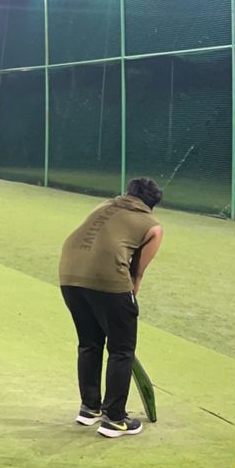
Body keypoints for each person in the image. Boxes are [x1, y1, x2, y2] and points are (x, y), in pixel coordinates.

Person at [59, 177, 163, 438]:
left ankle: (89, 408)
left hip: (69, 276)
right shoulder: (152, 225)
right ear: (152, 205)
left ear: (127, 194)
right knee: (121, 349)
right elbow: (136, 272)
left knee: (89, 343)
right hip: (108, 281)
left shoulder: (102, 205)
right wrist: (129, 302)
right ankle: (115, 419)